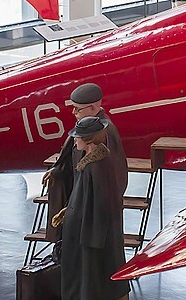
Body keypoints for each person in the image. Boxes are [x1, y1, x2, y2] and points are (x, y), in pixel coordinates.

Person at [52, 116, 132, 300]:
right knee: (116, 279)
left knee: (87, 285)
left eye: (77, 136)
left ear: (86, 139)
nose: (74, 140)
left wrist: (92, 238)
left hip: (91, 235)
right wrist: (70, 210)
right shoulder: (100, 161)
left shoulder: (93, 165)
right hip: (104, 233)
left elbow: (100, 202)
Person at [41, 83, 127, 246]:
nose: (73, 112)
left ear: (94, 108)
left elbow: (111, 177)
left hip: (93, 209)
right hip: (80, 200)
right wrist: (58, 170)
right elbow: (70, 154)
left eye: (78, 109)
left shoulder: (105, 132)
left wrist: (79, 204)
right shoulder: (88, 126)